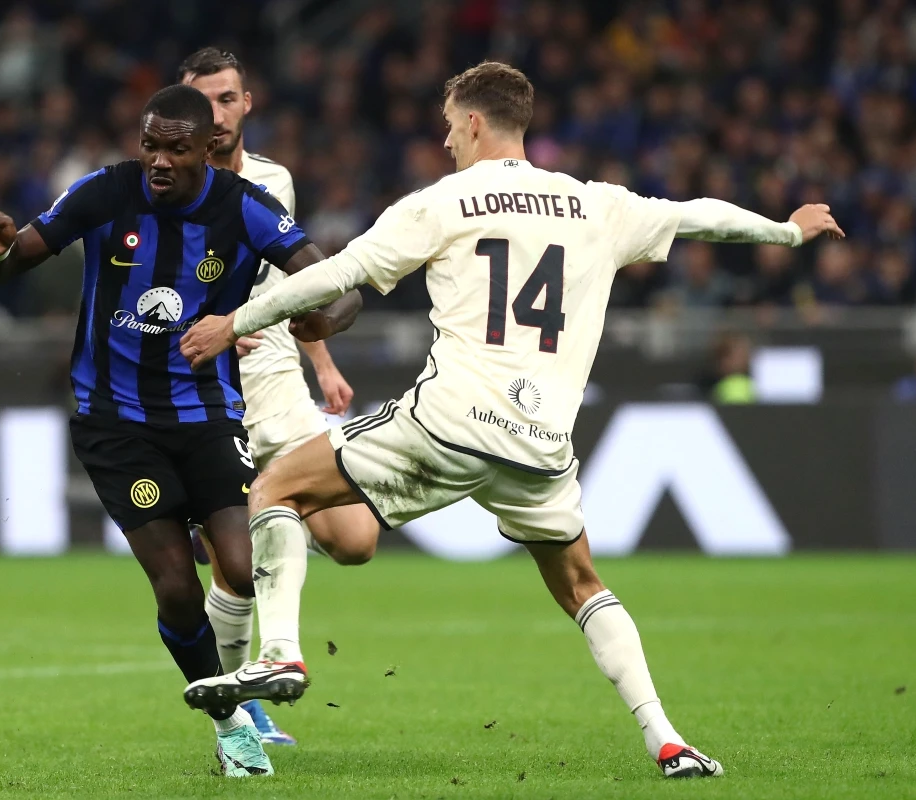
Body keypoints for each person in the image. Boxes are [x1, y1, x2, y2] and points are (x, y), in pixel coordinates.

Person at [178, 61, 845, 779]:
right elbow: (697, 216)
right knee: (583, 585)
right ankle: (667, 740)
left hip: (449, 424)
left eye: (448, 127)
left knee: (276, 487)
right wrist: (785, 232)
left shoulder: (445, 202)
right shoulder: (595, 204)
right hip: (540, 445)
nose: (445, 143)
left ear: (472, 122)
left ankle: (281, 652)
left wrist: (234, 321)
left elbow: (334, 274)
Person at [0, 83, 360, 778]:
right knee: (177, 586)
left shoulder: (246, 208)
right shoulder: (106, 191)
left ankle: (246, 677)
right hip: (115, 424)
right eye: (150, 145)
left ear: (210, 148)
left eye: (176, 149)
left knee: (242, 566)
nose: (158, 160)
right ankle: (231, 724)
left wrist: (321, 318)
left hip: (207, 414)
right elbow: (13, 258)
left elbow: (342, 285)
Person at [177, 47, 382, 747]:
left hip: (277, 378)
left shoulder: (274, 181)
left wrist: (321, 359)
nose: (216, 114)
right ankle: (239, 715)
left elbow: (294, 284)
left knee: (356, 540)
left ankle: (266, 523)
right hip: (204, 389)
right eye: (202, 102)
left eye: (226, 99)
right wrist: (201, 331)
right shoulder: (163, 190)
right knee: (238, 570)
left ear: (247, 103)